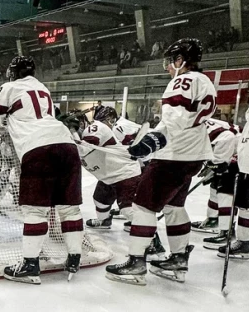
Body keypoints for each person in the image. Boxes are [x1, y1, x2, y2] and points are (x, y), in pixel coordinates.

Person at [106, 38, 217, 286]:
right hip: (194, 154)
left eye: (170, 61)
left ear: (180, 61)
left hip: (173, 156)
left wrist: (153, 140)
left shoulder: (182, 80)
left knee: (143, 207)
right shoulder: (205, 81)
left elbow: (175, 121)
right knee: (174, 207)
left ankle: (135, 262)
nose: (167, 66)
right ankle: (178, 258)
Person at [0, 56, 84, 284]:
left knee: (35, 212)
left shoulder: (10, 87)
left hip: (38, 147)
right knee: (70, 209)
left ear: (13, 72)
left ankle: (30, 264)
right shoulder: (43, 88)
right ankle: (74, 257)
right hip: (66, 144)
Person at [79, 107, 142, 232]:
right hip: (108, 176)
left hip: (124, 174)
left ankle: (150, 236)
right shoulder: (95, 129)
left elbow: (85, 148)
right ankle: (104, 220)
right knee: (100, 200)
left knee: (127, 208)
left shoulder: (98, 127)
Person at [190, 118, 239, 243]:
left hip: (238, 156)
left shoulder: (195, 126)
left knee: (225, 192)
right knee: (214, 187)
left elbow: (227, 138)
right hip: (228, 151)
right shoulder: (195, 121)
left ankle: (226, 231)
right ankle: (213, 219)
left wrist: (215, 166)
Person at [225, 108, 249, 258]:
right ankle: (244, 241)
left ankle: (245, 241)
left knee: (246, 207)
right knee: (245, 207)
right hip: (245, 168)